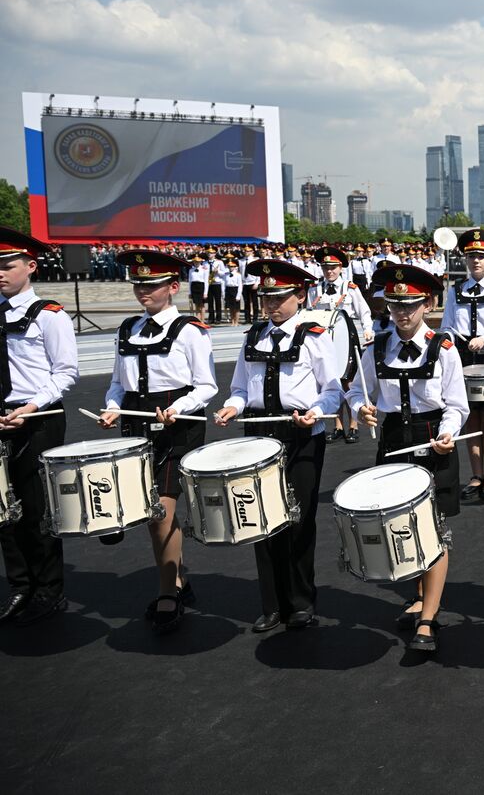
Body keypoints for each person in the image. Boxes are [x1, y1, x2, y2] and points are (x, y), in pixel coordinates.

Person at [213, 259, 342, 632]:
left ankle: (301, 602)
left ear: (299, 295)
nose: (270, 304)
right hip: (257, 438)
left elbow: (332, 390)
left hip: (300, 436)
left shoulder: (316, 336)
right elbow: (239, 388)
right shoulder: (252, 336)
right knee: (261, 520)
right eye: (266, 296)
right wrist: (231, 407)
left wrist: (316, 412)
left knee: (299, 520)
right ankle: (271, 603)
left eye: (279, 296)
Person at [349, 264, 468, 655]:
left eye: (410, 305)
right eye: (394, 304)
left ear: (428, 304)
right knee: (403, 524)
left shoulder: (444, 349)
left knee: (433, 530)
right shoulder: (375, 348)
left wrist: (449, 432)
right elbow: (354, 390)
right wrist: (361, 409)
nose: (401, 313)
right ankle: (419, 595)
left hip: (433, 439)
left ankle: (429, 619)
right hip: (393, 440)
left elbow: (456, 404)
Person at [97, 249, 216, 633]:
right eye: (138, 284)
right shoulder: (126, 328)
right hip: (135, 420)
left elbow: (206, 385)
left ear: (173, 287)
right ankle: (179, 575)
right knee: (150, 511)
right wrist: (112, 406)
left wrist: (180, 407)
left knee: (158, 510)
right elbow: (118, 382)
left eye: (151, 285)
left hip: (176, 423)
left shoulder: (190, 330)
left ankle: (168, 592)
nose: (142, 291)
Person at [0, 228, 78, 626]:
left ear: (30, 267)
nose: (0, 273)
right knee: (3, 511)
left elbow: (65, 373)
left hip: (38, 419)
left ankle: (49, 589)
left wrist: (29, 407)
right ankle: (20, 586)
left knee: (36, 509)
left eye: (7, 265)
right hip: (0, 417)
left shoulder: (50, 314)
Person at [440, 229, 484, 501]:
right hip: (462, 358)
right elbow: (446, 326)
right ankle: (476, 473)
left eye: (482, 256)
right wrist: (448, 339)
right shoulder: (456, 290)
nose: (476, 261)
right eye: (471, 256)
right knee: (469, 418)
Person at [308, 246, 373, 444]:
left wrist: (367, 330)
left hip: (347, 339)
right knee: (331, 382)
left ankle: (353, 425)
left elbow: (364, 312)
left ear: (341, 268)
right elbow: (308, 314)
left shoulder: (350, 289)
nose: (329, 271)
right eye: (326, 267)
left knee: (349, 382)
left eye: (333, 267)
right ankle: (338, 425)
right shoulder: (314, 289)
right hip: (323, 341)